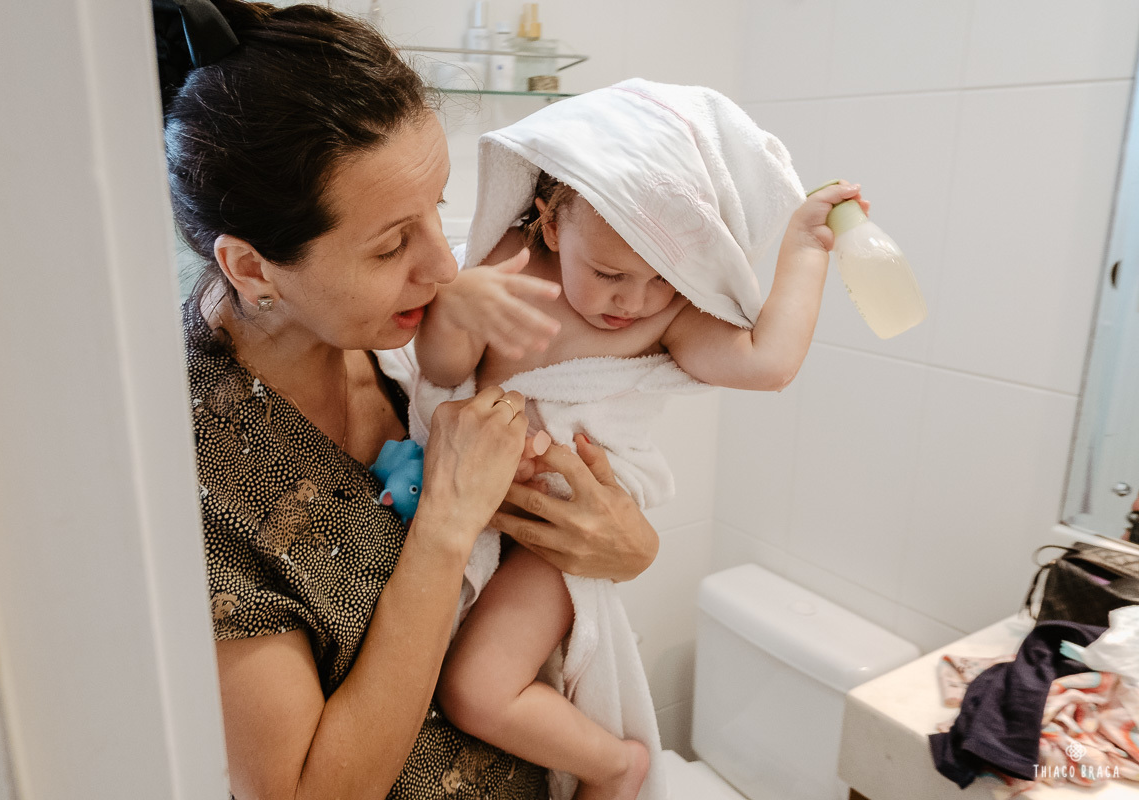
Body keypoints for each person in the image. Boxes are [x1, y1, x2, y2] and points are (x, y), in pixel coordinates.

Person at [155, 2, 660, 798]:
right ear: (252, 269)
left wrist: (626, 545)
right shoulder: (186, 463)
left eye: (438, 209)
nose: (444, 267)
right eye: (392, 244)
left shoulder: (404, 334)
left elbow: (579, 534)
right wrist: (447, 524)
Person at [414, 80, 868, 800]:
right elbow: (440, 372)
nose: (633, 301)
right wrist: (457, 313)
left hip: (558, 532)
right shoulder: (505, 266)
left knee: (476, 689)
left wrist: (806, 248)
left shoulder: (671, 317)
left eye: (663, 278)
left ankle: (617, 764)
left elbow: (768, 363)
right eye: (610, 274)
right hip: (469, 504)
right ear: (551, 224)